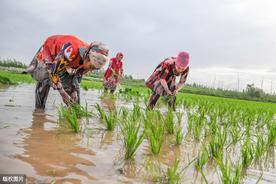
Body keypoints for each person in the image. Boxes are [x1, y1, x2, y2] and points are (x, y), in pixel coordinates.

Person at [25, 35, 109, 110]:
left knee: (74, 96)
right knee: (45, 79)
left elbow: (78, 74)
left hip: (67, 62)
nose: (90, 70)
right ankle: (39, 112)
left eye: (94, 68)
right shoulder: (72, 50)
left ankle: (74, 114)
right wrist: (62, 93)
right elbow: (53, 71)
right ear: (87, 57)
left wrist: (74, 90)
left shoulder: (90, 63)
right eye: (91, 67)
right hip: (50, 51)